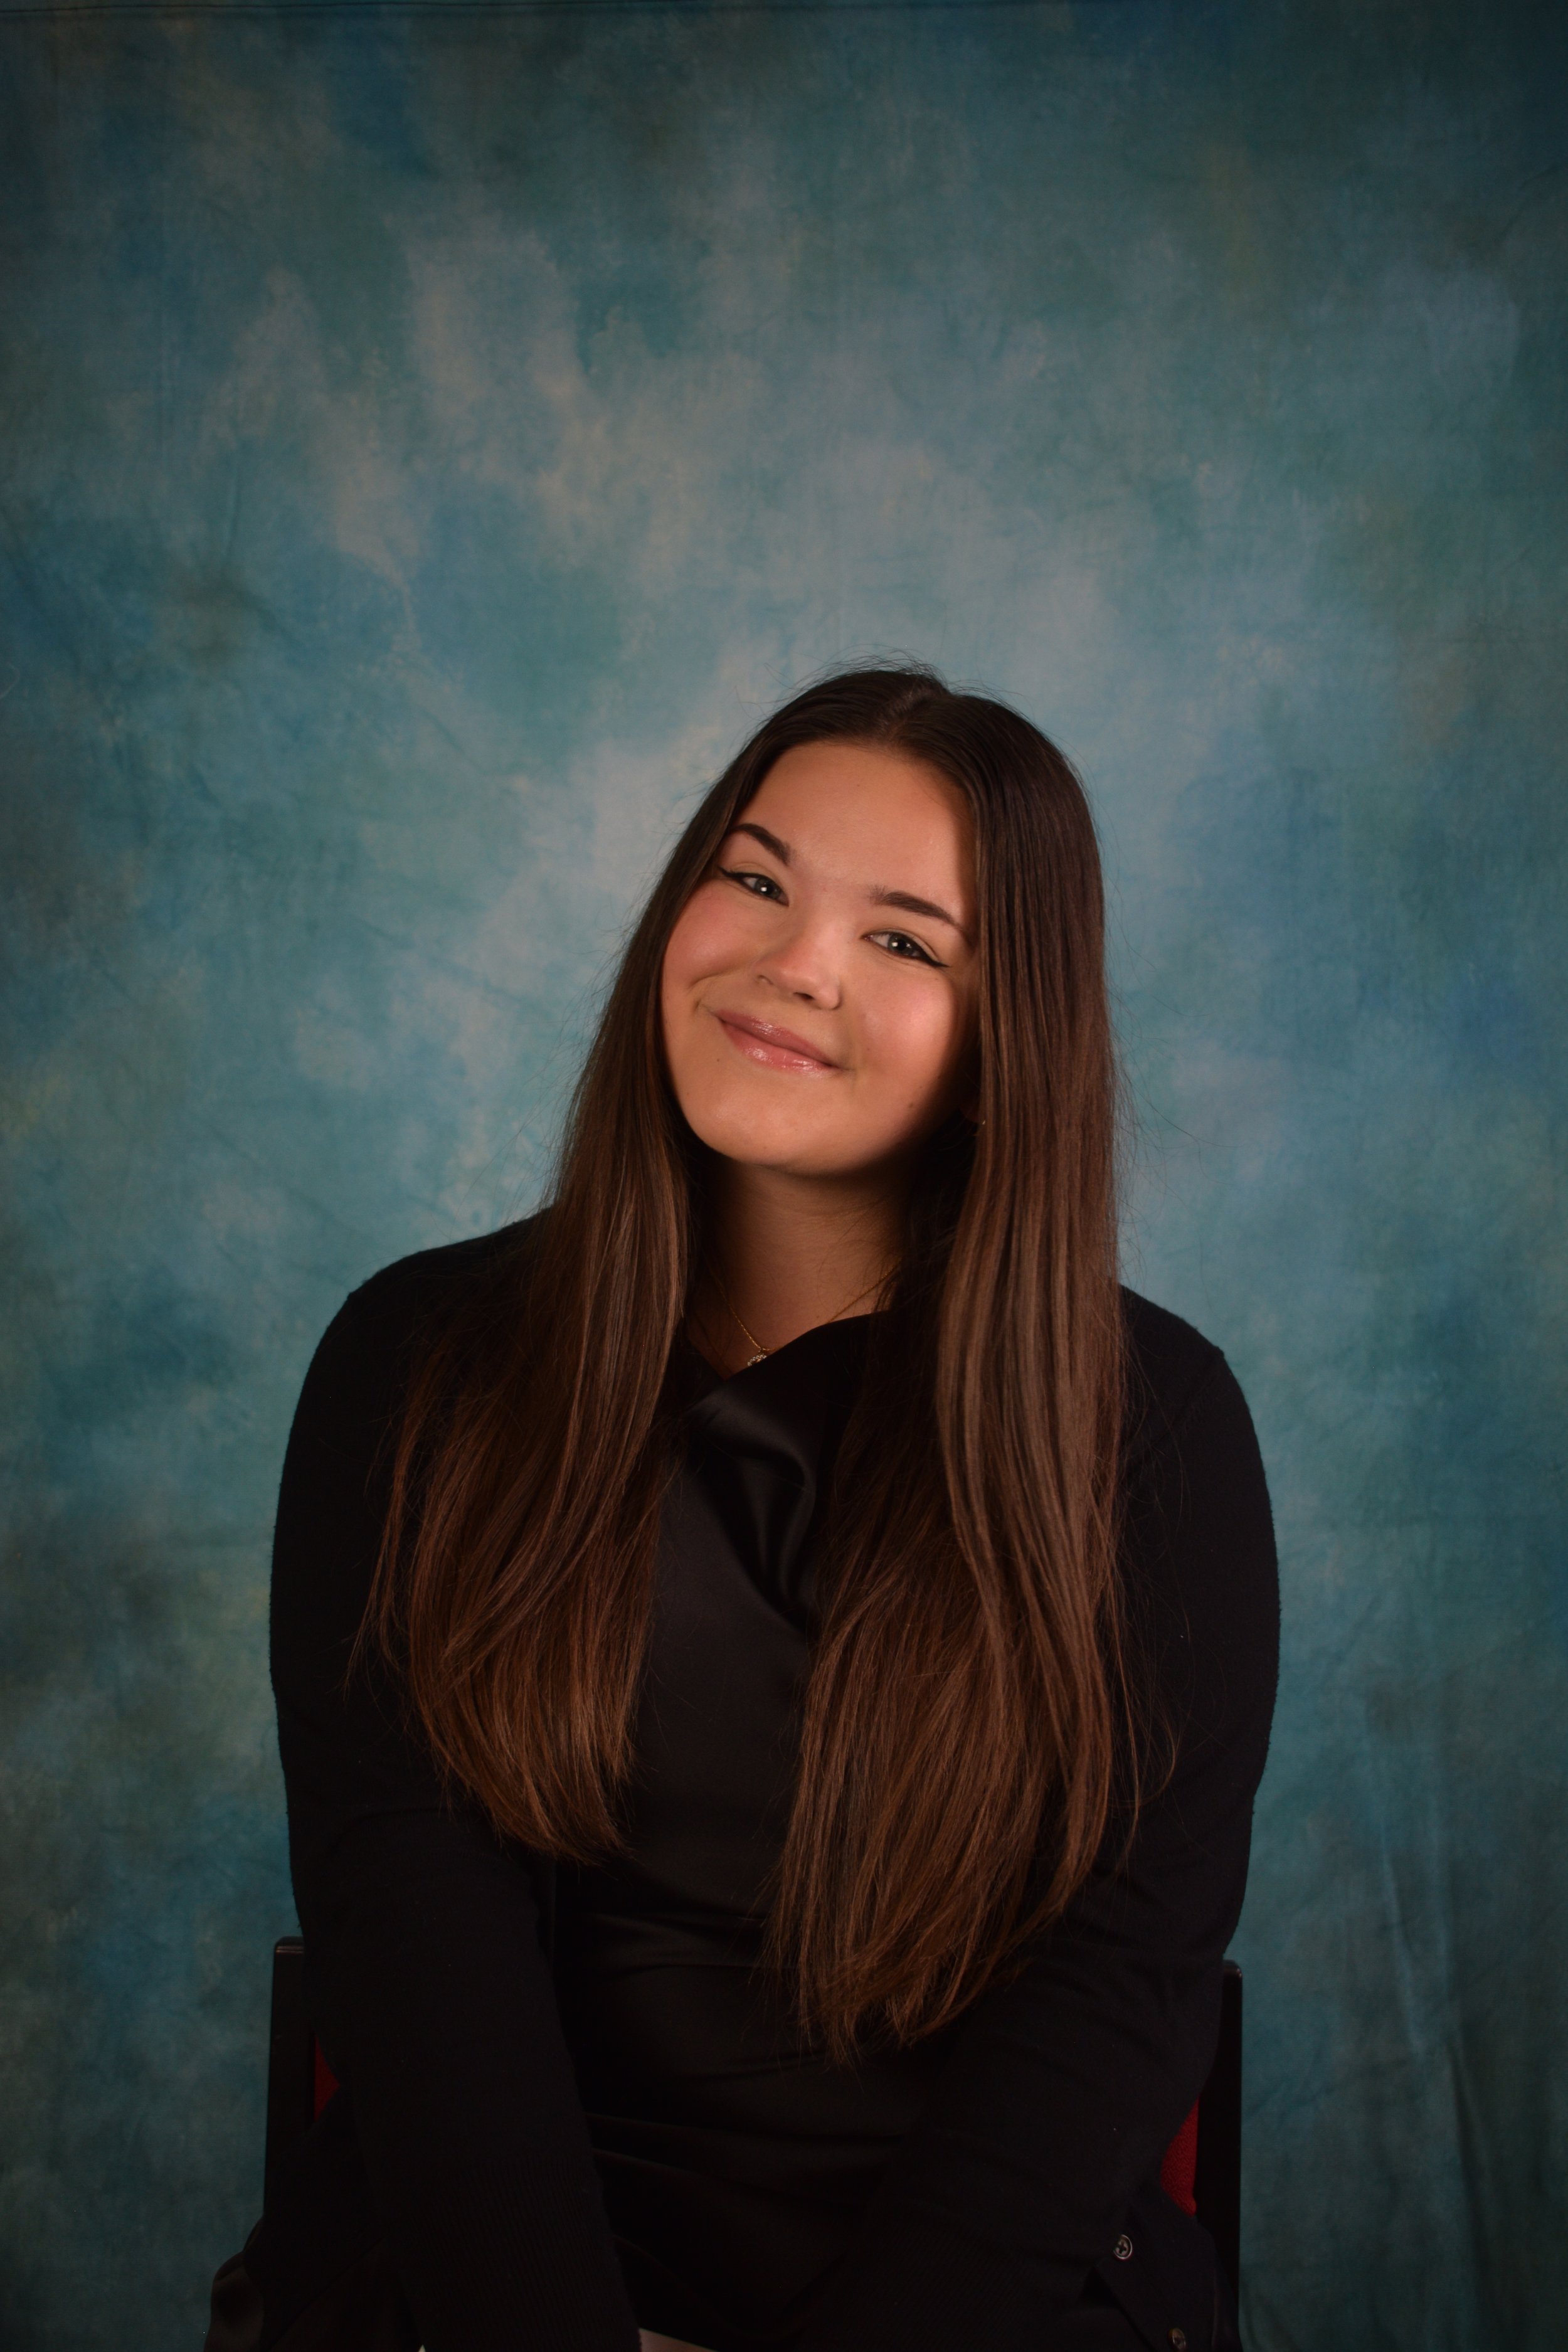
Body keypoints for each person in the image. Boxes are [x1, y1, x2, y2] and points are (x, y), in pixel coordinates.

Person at [204, 665, 1278, 2352]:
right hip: (486, 2283)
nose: (794, 963)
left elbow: (1113, 1996)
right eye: (757, 878)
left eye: (904, 939)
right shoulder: (414, 1362)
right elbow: (403, 1929)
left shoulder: (1154, 1434)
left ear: (1009, 1045)